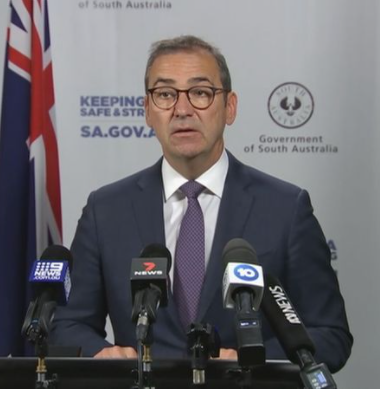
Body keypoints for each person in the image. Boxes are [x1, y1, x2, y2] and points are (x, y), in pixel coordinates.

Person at [51, 35, 352, 372]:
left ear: (230, 107)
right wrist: (101, 356)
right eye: (165, 94)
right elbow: (67, 323)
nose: (182, 110)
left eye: (200, 93)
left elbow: (331, 334)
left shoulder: (285, 208)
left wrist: (255, 361)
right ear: (147, 110)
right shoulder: (106, 210)